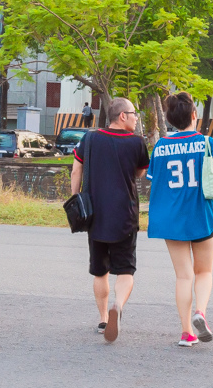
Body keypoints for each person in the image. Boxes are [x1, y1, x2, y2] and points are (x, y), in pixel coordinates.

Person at [146, 92, 213, 347]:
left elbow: (155, 180)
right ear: (194, 115)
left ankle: (186, 332)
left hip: (170, 218)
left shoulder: (160, 146)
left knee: (183, 276)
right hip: (200, 214)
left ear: (171, 119)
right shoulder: (208, 143)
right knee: (204, 271)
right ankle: (201, 312)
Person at [70, 97, 150, 343]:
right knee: (125, 269)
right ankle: (118, 305)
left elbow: (76, 170)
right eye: (134, 113)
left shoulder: (90, 138)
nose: (137, 118)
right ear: (122, 116)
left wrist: (76, 199)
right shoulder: (137, 143)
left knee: (99, 271)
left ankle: (104, 318)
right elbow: (140, 172)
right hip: (124, 215)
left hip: (94, 215)